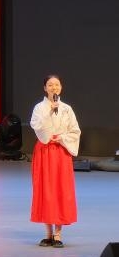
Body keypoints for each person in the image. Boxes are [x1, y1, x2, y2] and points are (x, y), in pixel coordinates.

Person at [30, 75, 79, 247]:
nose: (54, 88)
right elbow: (36, 125)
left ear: (61, 87)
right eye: (50, 85)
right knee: (46, 190)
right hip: (44, 151)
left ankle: (58, 234)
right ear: (45, 88)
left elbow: (75, 131)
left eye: (57, 85)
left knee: (60, 189)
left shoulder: (66, 109)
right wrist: (50, 111)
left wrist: (63, 138)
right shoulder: (39, 108)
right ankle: (48, 233)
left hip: (61, 152)